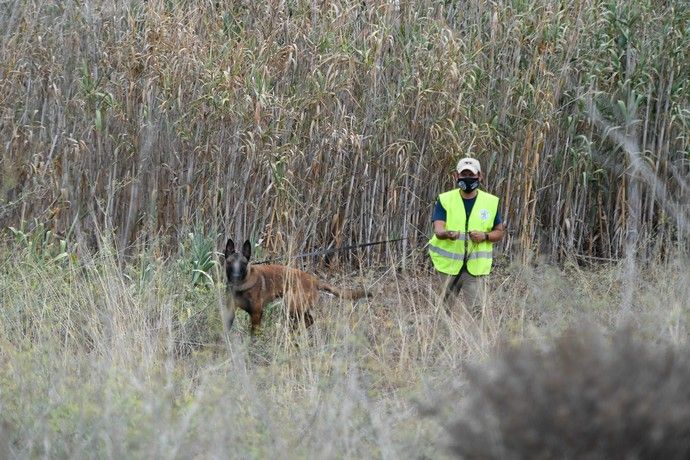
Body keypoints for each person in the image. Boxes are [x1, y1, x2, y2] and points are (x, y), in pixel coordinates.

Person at [428, 157, 505, 316]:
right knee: (443, 313)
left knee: (477, 313)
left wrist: (484, 236)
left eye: (472, 174)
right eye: (464, 175)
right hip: (448, 267)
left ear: (480, 176)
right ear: (456, 176)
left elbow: (499, 232)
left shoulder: (490, 202)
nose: (468, 178)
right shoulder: (445, 199)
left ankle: (477, 341)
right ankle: (442, 340)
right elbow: (438, 229)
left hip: (475, 269)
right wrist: (447, 234)